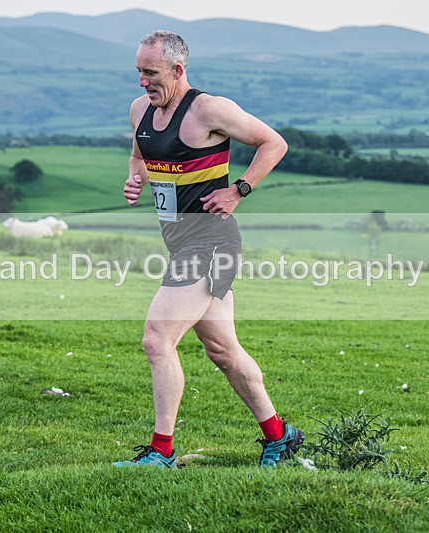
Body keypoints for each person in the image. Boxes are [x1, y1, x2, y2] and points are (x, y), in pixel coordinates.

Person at [114, 30, 303, 468]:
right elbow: (139, 154)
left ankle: (162, 452)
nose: (142, 82)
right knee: (223, 351)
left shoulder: (208, 110)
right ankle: (281, 436)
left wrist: (239, 189)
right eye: (139, 72)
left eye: (150, 73)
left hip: (211, 242)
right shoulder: (140, 110)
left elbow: (275, 142)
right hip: (180, 242)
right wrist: (136, 177)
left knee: (157, 339)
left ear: (178, 70)